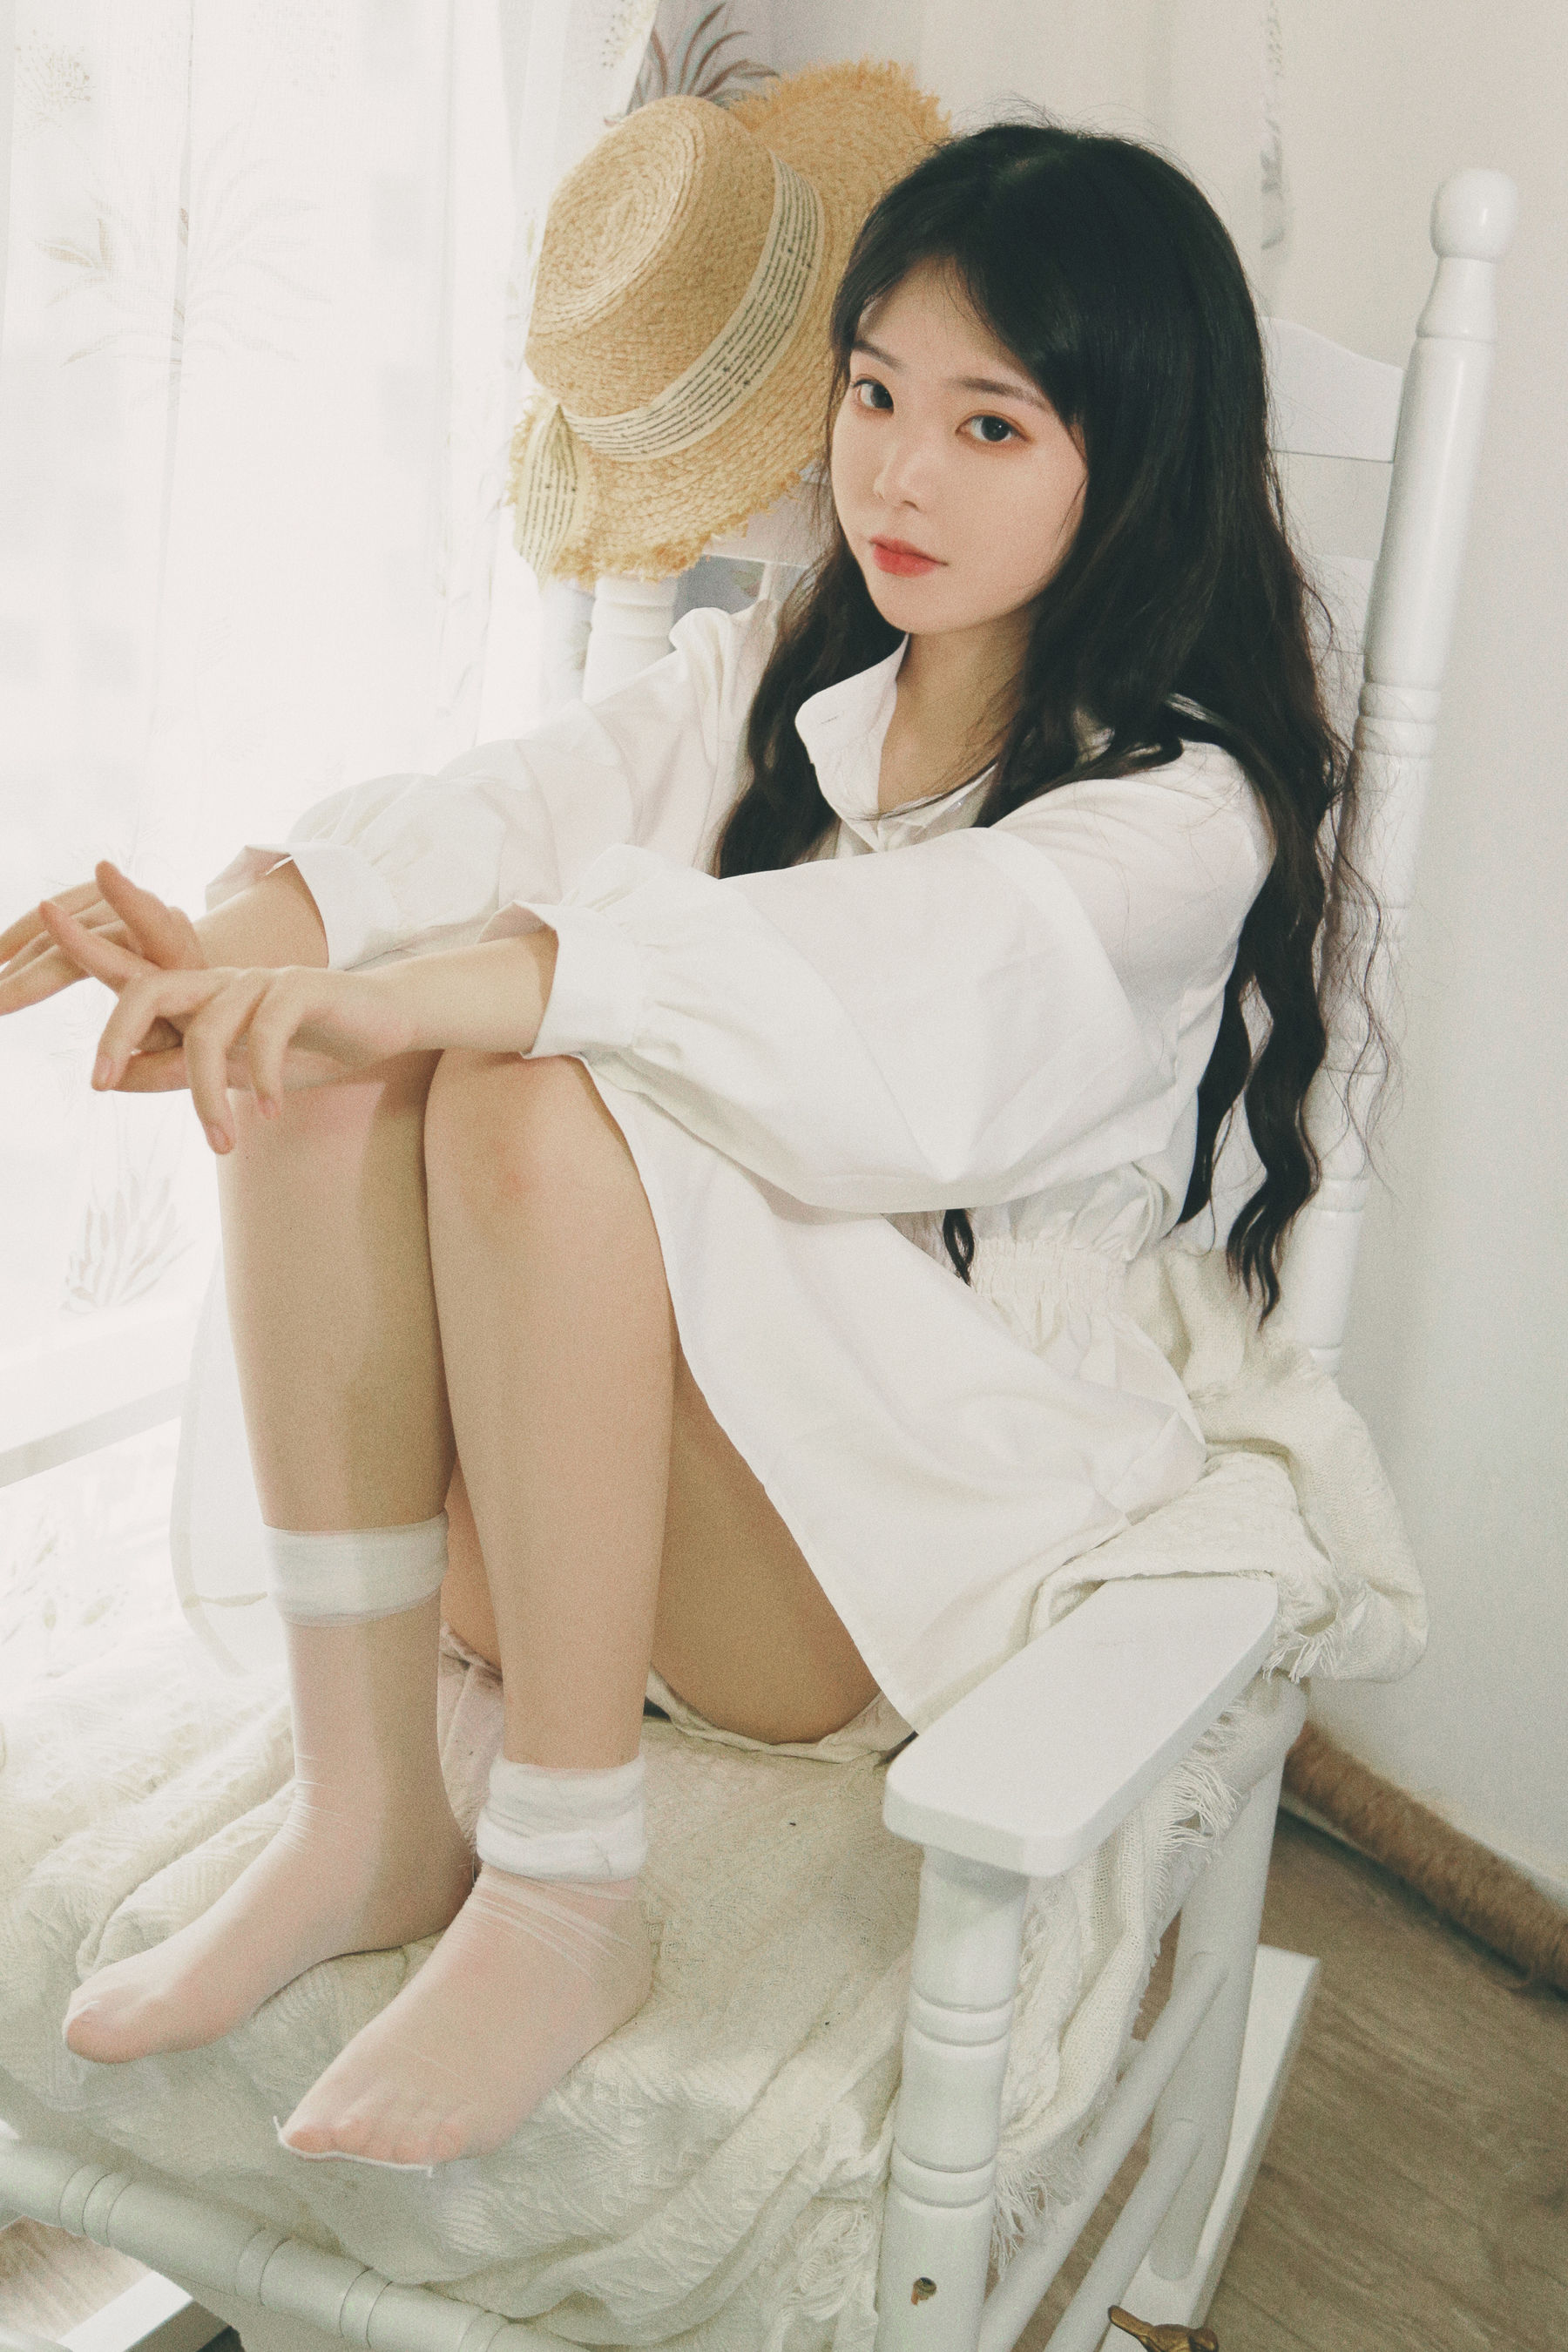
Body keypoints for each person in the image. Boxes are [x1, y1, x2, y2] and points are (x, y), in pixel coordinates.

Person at [0, 111, 1353, 2174]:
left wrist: (440, 993)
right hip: (557, 1524)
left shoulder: (1177, 813)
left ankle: (568, 1893)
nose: (897, 473)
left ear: (1139, 457)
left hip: (867, 1551)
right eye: (875, 394)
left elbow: (877, 982)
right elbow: (498, 812)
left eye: (990, 427)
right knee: (329, 1043)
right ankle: (369, 1816)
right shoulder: (781, 674)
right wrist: (232, 942)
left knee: (524, 1068)